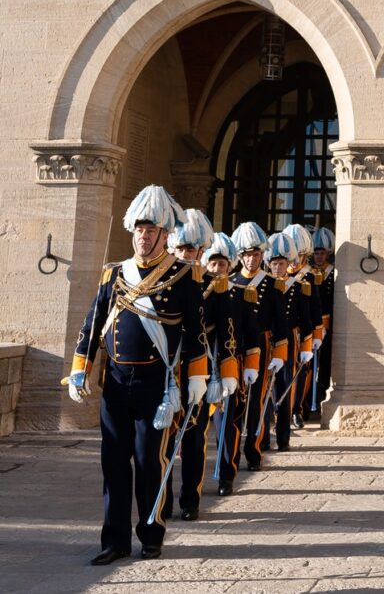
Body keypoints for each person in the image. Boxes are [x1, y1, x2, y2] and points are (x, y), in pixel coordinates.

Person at [63, 185, 207, 565]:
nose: (143, 237)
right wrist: (81, 368)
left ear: (165, 234)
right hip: (115, 383)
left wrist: (197, 376)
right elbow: (92, 324)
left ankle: (151, 534)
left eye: (151, 230)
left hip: (155, 384)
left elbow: (195, 332)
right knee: (113, 461)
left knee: (148, 462)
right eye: (139, 230)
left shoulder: (184, 275)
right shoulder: (114, 274)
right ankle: (114, 540)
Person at [161, 208, 216, 522]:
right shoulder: (161, 281)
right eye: (181, 248)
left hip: (197, 371)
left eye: (192, 249)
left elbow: (226, 332)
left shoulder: (214, 285)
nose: (186, 254)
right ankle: (163, 501)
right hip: (166, 371)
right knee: (163, 441)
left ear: (201, 250)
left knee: (194, 440)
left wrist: (223, 375)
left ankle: (190, 500)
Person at [202, 232, 261, 498]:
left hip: (228, 367)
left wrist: (251, 365)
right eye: (213, 264)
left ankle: (226, 475)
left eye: (223, 264)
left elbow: (251, 332)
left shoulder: (241, 294)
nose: (218, 269)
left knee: (227, 425)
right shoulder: (196, 291)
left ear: (230, 265)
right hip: (198, 366)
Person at [229, 222, 288, 472]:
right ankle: (230, 455)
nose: (252, 260)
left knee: (256, 400)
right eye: (247, 255)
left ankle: (253, 451)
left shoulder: (272, 284)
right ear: (240, 256)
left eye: (256, 255)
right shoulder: (231, 281)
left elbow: (281, 322)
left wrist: (280, 352)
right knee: (234, 401)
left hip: (261, 346)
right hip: (234, 345)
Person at [265, 232, 313, 452]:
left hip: (289, 339)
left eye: (282, 263)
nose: (278, 268)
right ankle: (262, 437)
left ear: (288, 264)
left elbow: (306, 318)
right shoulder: (261, 285)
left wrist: (306, 346)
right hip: (266, 339)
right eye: (274, 263)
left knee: (284, 387)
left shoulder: (297, 285)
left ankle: (283, 437)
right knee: (264, 391)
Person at [283, 224, 323, 427]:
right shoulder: (277, 272)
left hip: (302, 331)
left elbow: (316, 306)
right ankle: (281, 409)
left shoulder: (309, 276)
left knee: (301, 370)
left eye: (299, 254)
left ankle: (296, 409)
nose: (295, 259)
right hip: (282, 330)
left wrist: (317, 333)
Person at [310, 227, 335, 415]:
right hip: (313, 324)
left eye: (322, 253)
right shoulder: (310, 273)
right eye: (316, 253)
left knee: (325, 363)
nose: (319, 257)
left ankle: (321, 395)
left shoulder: (333, 272)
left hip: (329, 325)